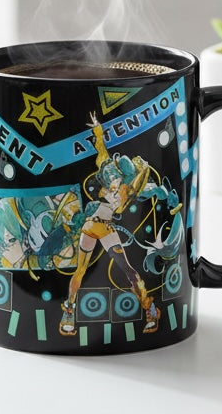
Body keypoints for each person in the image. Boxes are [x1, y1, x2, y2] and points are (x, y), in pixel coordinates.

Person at [60, 113, 179, 336]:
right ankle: (69, 310)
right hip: (91, 226)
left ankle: (150, 309)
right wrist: (97, 129)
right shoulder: (109, 170)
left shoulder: (136, 188)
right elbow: (101, 149)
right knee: (81, 270)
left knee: (128, 270)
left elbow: (157, 191)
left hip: (106, 229)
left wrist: (171, 198)